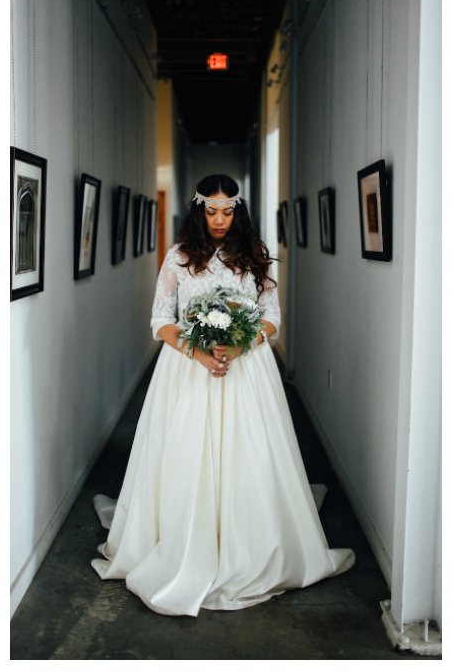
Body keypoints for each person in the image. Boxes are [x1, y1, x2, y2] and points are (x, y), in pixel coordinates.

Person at [90, 174, 355, 617]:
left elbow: (272, 317)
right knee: (185, 454)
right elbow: (160, 318)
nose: (219, 219)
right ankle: (184, 540)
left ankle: (248, 546)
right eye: (211, 211)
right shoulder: (177, 259)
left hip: (246, 371)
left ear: (238, 210)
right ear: (199, 211)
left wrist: (239, 343)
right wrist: (195, 350)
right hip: (188, 372)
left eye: (227, 211)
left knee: (247, 453)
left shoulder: (253, 255)